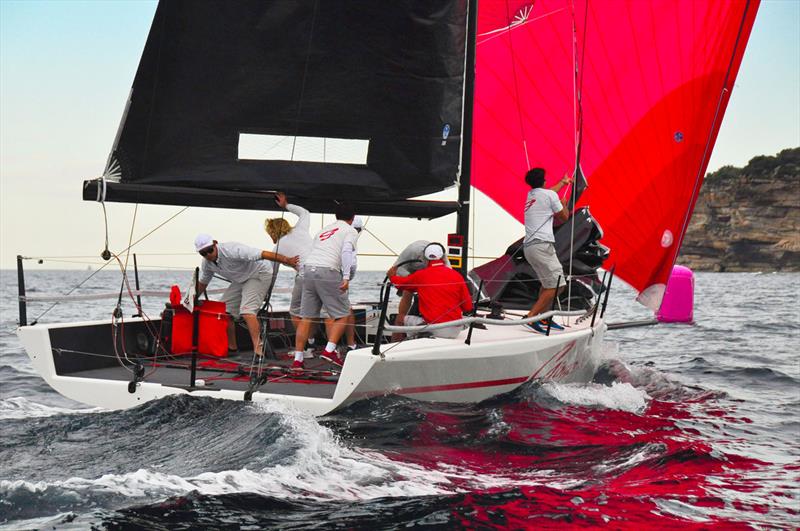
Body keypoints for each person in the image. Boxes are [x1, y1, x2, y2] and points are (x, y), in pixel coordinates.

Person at [194, 234, 299, 354]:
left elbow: (263, 254)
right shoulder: (207, 264)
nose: (208, 255)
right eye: (203, 253)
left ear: (215, 243)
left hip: (259, 273)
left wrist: (288, 261)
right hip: (241, 280)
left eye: (209, 250)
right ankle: (232, 348)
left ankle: (259, 350)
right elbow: (203, 283)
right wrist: (190, 300)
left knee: (247, 311)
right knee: (224, 311)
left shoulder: (232, 249)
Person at [290, 203, 359, 370]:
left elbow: (313, 251)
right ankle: (329, 351)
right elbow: (346, 251)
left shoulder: (323, 231)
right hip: (327, 271)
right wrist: (346, 276)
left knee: (306, 317)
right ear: (352, 219)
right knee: (343, 314)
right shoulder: (350, 231)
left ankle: (298, 361)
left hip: (307, 271)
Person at [522, 167, 572, 333]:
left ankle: (543, 317)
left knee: (548, 283)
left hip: (530, 247)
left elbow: (550, 192)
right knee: (558, 285)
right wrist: (564, 205)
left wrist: (563, 183)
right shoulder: (550, 195)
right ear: (543, 181)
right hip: (542, 246)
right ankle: (531, 317)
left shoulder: (532, 195)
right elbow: (564, 217)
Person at [388, 242, 473, 339]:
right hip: (455, 330)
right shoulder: (457, 275)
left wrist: (392, 276)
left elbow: (399, 284)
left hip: (436, 329)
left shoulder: (421, 275)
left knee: (399, 319)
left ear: (425, 258)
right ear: (443, 257)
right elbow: (468, 307)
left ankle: (394, 349)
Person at [265, 192, 316, 353]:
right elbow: (305, 212)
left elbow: (272, 275)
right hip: (324, 271)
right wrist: (286, 205)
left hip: (304, 276)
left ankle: (304, 348)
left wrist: (267, 295)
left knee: (296, 312)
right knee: (314, 312)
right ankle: (313, 342)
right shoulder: (300, 229)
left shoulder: (277, 248)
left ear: (272, 232)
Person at [324, 216, 364, 352]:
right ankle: (350, 344)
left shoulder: (335, 234)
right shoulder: (352, 238)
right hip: (340, 277)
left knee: (330, 313)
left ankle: (332, 350)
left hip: (330, 275)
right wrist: (347, 278)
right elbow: (352, 265)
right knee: (346, 309)